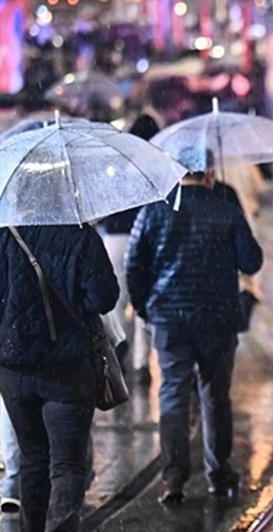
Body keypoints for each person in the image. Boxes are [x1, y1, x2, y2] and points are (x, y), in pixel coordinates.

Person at [0, 221, 119, 532]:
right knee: (67, 464)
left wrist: (10, 328)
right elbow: (104, 298)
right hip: (68, 371)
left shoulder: (0, 238)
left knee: (33, 459)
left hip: (15, 372)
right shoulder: (80, 236)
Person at [126, 148, 263, 505]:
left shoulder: (156, 208)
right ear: (210, 173)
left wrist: (144, 307)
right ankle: (219, 473)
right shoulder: (226, 205)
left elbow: (134, 263)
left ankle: (174, 477)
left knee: (173, 392)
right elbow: (251, 261)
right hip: (218, 319)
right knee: (215, 394)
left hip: (169, 319)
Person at [97, 113, 160, 379]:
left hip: (115, 240)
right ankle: (141, 362)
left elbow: (103, 206)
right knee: (144, 302)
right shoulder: (157, 167)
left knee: (116, 300)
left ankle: (120, 344)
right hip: (145, 242)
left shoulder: (117, 164)